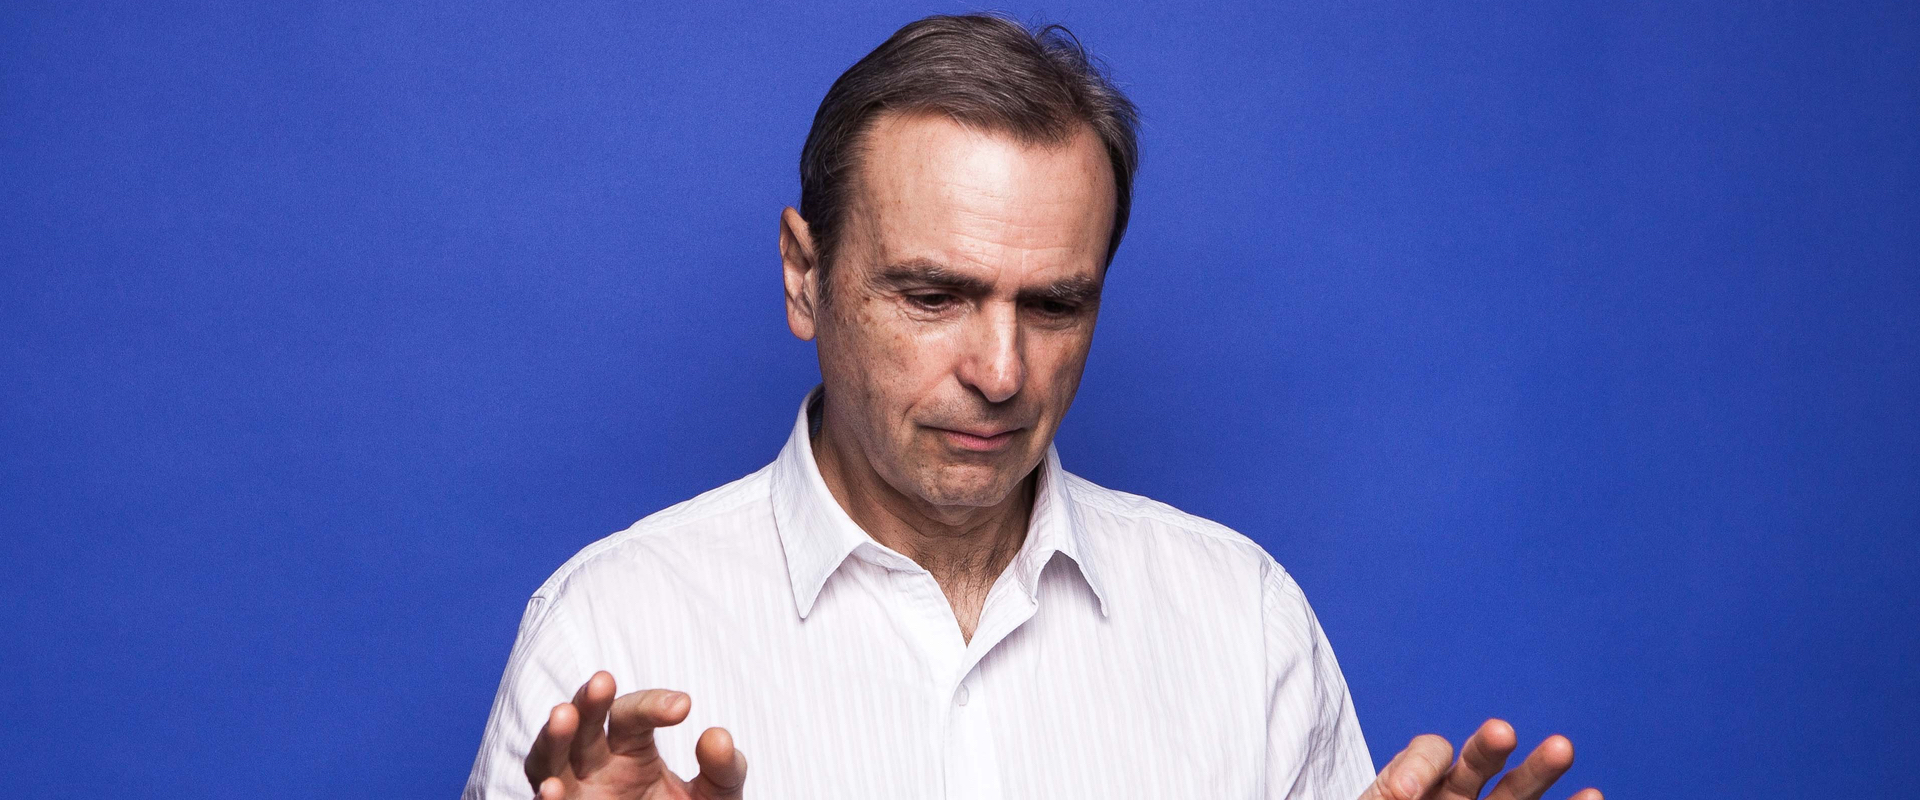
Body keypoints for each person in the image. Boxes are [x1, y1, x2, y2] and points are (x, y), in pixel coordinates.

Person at [463, 14, 1601, 800]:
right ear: (805, 277)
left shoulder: (1244, 621)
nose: (1002, 372)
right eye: (933, 295)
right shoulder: (609, 630)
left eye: (1055, 305)